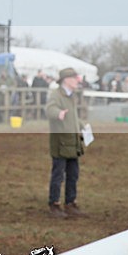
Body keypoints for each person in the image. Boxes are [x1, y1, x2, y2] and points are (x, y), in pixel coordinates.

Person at [46, 67, 88, 218]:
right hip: (61, 143)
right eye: (75, 78)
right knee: (58, 175)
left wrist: (83, 126)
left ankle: (70, 203)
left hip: (73, 142)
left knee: (73, 174)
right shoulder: (56, 95)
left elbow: (74, 117)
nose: (78, 81)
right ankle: (54, 204)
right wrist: (58, 114)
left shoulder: (71, 96)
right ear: (66, 80)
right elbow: (49, 110)